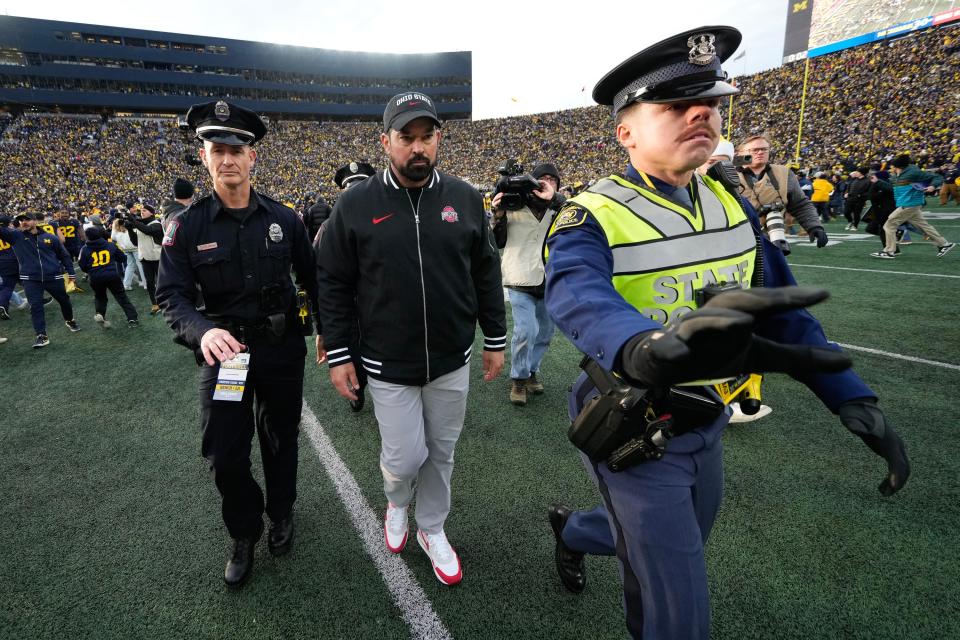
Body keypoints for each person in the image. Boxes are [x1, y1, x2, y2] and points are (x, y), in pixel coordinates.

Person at [541, 26, 910, 638]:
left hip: (708, 410)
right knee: (678, 606)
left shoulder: (729, 203)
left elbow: (783, 309)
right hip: (637, 420)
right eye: (675, 105)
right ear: (625, 131)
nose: (701, 114)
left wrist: (854, 399)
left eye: (710, 104)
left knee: (682, 532)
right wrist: (645, 349)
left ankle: (573, 530)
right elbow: (579, 296)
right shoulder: (591, 214)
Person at [316, 92, 506, 586]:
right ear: (386, 142)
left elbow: (485, 270)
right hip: (385, 360)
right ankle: (397, 503)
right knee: (404, 457)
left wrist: (496, 337)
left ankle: (432, 527)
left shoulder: (464, 197)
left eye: (427, 137)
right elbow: (332, 280)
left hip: (450, 357)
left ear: (439, 138)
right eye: (407, 138)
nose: (417, 148)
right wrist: (339, 353)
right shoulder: (356, 202)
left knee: (442, 452)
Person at [156, 99, 320, 588]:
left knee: (279, 438)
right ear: (203, 157)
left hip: (279, 351)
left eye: (237, 149)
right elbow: (171, 296)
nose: (228, 158)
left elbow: (314, 281)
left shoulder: (286, 219)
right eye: (217, 148)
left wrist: (328, 335)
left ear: (253, 157)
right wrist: (202, 330)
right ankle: (244, 531)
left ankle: (282, 511)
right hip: (227, 358)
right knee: (225, 451)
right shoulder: (186, 226)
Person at [490, 161, 564, 406]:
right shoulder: (514, 205)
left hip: (549, 278)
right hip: (519, 276)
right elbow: (498, 242)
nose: (547, 183)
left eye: (552, 180)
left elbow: (576, 211)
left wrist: (555, 199)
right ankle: (519, 379)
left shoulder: (560, 209)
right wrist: (498, 215)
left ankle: (532, 371)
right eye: (542, 179)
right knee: (526, 330)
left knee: (544, 332)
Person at [312, 160, 376, 413]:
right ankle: (357, 389)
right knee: (355, 363)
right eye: (351, 190)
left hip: (380, 310)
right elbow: (319, 280)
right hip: (348, 313)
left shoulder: (388, 221)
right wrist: (323, 327)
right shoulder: (328, 228)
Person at [0, 213, 80, 347]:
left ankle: (69, 320)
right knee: (35, 306)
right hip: (30, 279)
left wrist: (71, 273)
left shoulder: (50, 237)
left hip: (53, 276)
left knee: (64, 300)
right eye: (21, 220)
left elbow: (64, 256)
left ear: (35, 221)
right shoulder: (15, 236)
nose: (24, 222)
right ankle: (41, 335)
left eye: (27, 219)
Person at [738, 135, 828, 247]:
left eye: (764, 149)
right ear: (741, 152)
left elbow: (800, 204)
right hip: (737, 236)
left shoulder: (783, 173)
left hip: (772, 237)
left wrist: (814, 227)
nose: (760, 152)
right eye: (755, 150)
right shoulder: (728, 172)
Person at [871, 154, 954, 259]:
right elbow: (892, 185)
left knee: (889, 225)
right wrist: (877, 181)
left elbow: (937, 177)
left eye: (893, 167)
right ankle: (944, 244)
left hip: (909, 204)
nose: (892, 169)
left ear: (899, 167)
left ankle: (889, 251)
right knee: (923, 226)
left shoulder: (914, 172)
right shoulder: (900, 174)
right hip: (908, 203)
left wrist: (932, 186)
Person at [77, 226, 139, 328]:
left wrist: (91, 270)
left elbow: (82, 266)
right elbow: (122, 258)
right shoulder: (110, 245)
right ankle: (132, 318)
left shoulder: (84, 249)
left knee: (100, 297)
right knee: (121, 297)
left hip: (95, 277)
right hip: (112, 275)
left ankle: (100, 314)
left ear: (88, 237)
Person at [126, 203, 165, 314]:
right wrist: (129, 229)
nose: (142, 212)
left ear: (152, 213)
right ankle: (155, 303)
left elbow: (147, 230)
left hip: (157, 257)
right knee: (149, 282)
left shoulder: (156, 224)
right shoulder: (140, 225)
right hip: (145, 258)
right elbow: (135, 242)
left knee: (162, 281)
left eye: (145, 210)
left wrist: (133, 221)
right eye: (141, 211)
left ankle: (167, 301)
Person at [111, 218, 144, 290]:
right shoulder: (130, 229)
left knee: (130, 266)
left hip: (125, 250)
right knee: (140, 265)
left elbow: (113, 238)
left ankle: (126, 285)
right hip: (135, 249)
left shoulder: (115, 232)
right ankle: (145, 284)